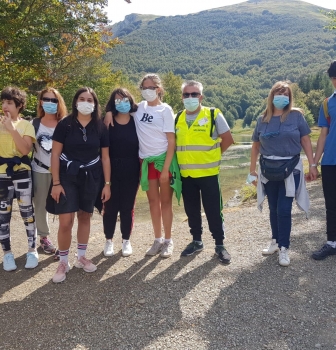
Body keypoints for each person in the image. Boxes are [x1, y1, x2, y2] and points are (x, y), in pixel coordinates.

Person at [105, 74, 180, 258]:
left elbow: (172, 141)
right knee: (153, 201)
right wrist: (108, 112)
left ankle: (169, 241)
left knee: (166, 202)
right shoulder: (137, 108)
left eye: (152, 87)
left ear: (159, 89)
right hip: (145, 162)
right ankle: (157, 239)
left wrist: (165, 169)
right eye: (144, 88)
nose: (148, 91)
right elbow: (119, 108)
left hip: (164, 161)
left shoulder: (165, 110)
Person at [249, 81, 317, 267]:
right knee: (273, 208)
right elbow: (255, 146)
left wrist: (312, 165)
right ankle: (275, 241)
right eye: (279, 92)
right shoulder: (262, 119)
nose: (282, 96)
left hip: (290, 168)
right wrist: (252, 171)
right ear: (272, 95)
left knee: (284, 209)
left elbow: (305, 140)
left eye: (286, 94)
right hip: (268, 169)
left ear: (290, 98)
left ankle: (284, 247)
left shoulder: (296, 117)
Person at [49, 87, 111, 283]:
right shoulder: (65, 125)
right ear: (75, 101)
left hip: (91, 175)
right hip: (67, 175)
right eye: (82, 99)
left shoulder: (100, 126)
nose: (86, 102)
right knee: (66, 221)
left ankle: (81, 257)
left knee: (85, 216)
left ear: (95, 104)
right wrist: (56, 183)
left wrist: (107, 184)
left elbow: (105, 157)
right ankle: (63, 261)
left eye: (90, 100)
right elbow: (55, 154)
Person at [175, 80, 234, 264]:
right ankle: (197, 241)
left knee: (214, 211)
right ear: (182, 97)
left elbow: (227, 139)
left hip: (208, 173)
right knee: (191, 211)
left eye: (194, 94)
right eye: (186, 94)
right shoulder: (177, 118)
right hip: (187, 176)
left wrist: (215, 155)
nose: (190, 97)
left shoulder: (213, 114)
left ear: (201, 96)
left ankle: (219, 244)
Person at [0, 86, 38, 271]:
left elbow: (25, 150)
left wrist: (11, 128)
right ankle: (7, 253)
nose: (5, 106)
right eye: (3, 102)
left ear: (19, 105)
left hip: (22, 173)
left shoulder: (26, 125)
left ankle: (32, 249)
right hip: (2, 175)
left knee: (27, 212)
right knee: (3, 216)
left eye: (9, 103)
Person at [100, 88, 140, 257]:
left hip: (132, 169)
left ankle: (126, 240)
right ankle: (108, 240)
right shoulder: (107, 122)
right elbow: (104, 153)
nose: (121, 103)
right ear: (112, 103)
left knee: (127, 206)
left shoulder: (137, 120)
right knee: (109, 206)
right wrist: (106, 182)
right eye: (117, 100)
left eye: (125, 100)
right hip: (110, 168)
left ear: (130, 101)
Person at [32, 88, 67, 257]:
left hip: (61, 172)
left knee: (64, 206)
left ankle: (63, 244)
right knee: (40, 205)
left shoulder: (65, 123)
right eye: (47, 99)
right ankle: (44, 238)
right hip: (39, 169)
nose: (50, 103)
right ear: (41, 101)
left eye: (54, 100)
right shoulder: (34, 124)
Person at [312, 61, 336, 260]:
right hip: (330, 161)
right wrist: (314, 162)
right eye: (334, 79)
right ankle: (331, 242)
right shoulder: (327, 103)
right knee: (331, 204)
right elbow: (323, 135)